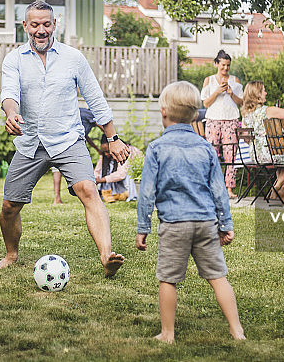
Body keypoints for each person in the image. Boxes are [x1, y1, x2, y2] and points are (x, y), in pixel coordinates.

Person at [0, 0, 128, 278]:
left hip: (68, 139)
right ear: (25, 26)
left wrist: (113, 137)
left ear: (55, 25)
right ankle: (11, 255)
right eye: (35, 25)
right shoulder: (14, 59)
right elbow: (9, 94)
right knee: (10, 207)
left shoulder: (73, 58)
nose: (41, 30)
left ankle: (107, 257)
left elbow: (95, 99)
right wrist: (11, 114)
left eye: (46, 24)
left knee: (89, 191)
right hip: (31, 141)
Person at [136, 81, 245, 344]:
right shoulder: (206, 148)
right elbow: (219, 190)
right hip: (206, 223)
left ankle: (167, 333)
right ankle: (237, 330)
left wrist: (143, 228)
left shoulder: (157, 148)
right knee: (218, 277)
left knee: (168, 279)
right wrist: (225, 224)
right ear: (196, 115)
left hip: (174, 224)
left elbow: (147, 193)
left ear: (163, 112)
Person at [200, 50, 243, 199]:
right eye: (223, 65)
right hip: (213, 120)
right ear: (216, 64)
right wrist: (217, 92)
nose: (225, 68)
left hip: (231, 120)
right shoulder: (209, 80)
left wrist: (231, 93)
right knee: (212, 155)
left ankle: (229, 189)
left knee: (231, 155)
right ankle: (212, 188)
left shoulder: (235, 80)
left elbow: (241, 102)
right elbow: (206, 103)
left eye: (228, 65)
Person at [53, 107, 99, 204]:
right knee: (80, 171)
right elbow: (101, 124)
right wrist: (111, 137)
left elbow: (86, 137)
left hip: (59, 140)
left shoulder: (80, 113)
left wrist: (97, 149)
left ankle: (57, 198)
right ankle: (86, 196)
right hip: (71, 143)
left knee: (57, 169)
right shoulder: (90, 114)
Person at [95, 136, 141, 203]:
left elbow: (121, 174)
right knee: (105, 169)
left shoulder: (125, 151)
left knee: (128, 171)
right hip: (117, 182)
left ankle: (127, 195)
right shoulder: (105, 155)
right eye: (104, 152)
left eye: (107, 151)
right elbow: (97, 170)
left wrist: (101, 180)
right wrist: (94, 180)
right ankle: (108, 192)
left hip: (131, 180)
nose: (106, 154)